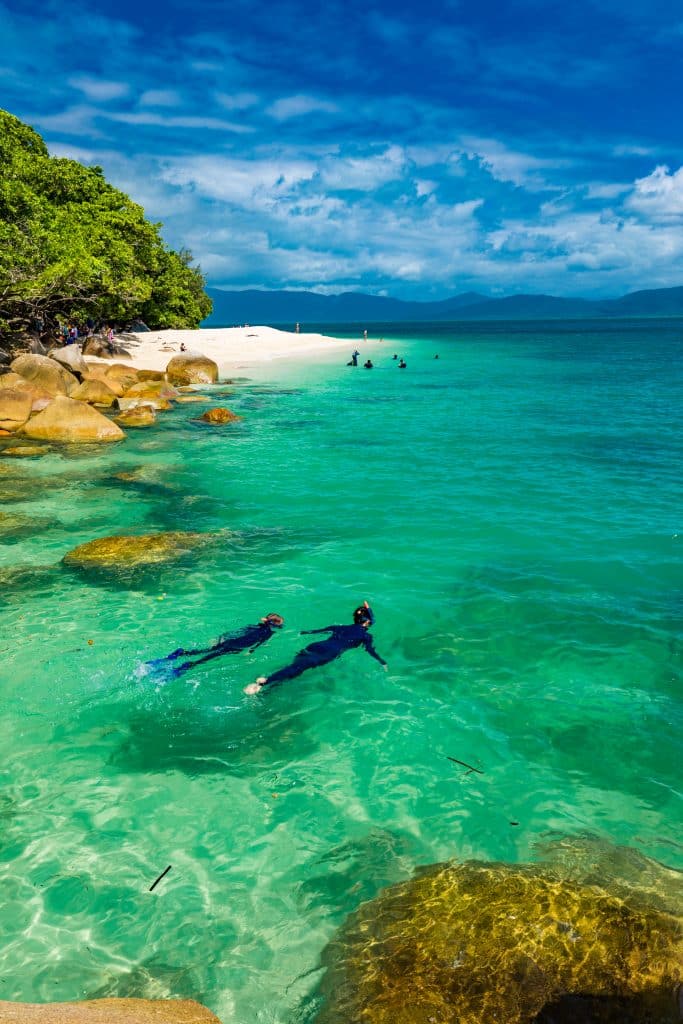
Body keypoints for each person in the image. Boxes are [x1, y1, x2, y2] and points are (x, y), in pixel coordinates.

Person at [244, 601, 387, 694]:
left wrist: (302, 632)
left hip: (316, 646)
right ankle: (264, 684)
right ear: (367, 622)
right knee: (297, 669)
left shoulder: (338, 627)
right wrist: (382, 662)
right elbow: (370, 650)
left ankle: (268, 683)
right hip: (329, 653)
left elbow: (315, 631)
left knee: (295, 666)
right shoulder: (366, 636)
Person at [147, 614, 285, 678]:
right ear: (274, 625)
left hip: (227, 641)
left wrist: (219, 638)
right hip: (235, 648)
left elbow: (234, 632)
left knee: (206, 651)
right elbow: (259, 643)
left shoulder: (253, 626)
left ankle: (182, 653)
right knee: (208, 658)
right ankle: (185, 667)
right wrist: (251, 651)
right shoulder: (269, 634)